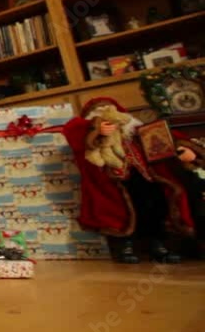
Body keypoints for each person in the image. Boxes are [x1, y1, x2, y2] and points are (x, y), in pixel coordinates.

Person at [62, 97, 196, 263]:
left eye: (109, 108)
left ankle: (157, 243)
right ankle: (125, 244)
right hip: (113, 180)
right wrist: (95, 128)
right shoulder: (90, 134)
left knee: (155, 202)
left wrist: (181, 148)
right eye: (100, 110)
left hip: (145, 175)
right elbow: (73, 131)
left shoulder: (134, 132)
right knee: (121, 209)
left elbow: (162, 139)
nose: (106, 112)